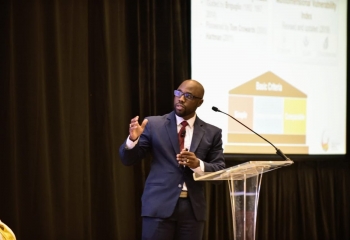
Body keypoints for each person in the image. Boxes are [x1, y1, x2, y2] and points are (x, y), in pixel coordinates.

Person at [119, 79, 225, 240]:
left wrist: (198, 165)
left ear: (200, 102)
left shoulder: (212, 133)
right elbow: (128, 160)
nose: (181, 99)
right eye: (178, 93)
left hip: (193, 210)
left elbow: (219, 173)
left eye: (188, 96)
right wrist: (132, 140)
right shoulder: (154, 124)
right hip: (158, 206)